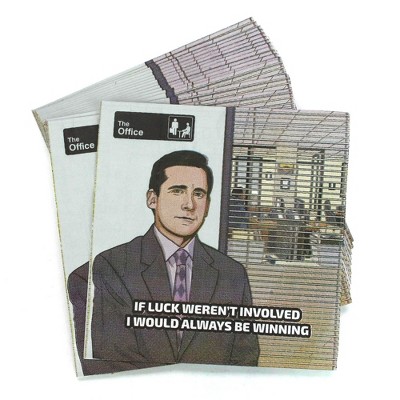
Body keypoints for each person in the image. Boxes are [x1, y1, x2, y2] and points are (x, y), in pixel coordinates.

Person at [89, 150, 259, 369]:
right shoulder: (115, 265)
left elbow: (245, 359)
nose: (189, 204)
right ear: (152, 199)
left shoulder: (232, 273)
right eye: (178, 191)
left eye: (199, 194)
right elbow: (112, 357)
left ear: (207, 206)